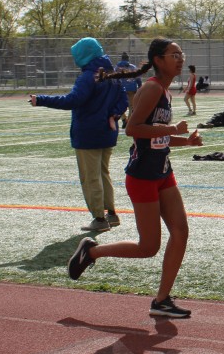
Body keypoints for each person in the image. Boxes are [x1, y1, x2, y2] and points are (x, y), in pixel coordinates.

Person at [66, 38, 203, 319]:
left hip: (162, 171)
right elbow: (134, 130)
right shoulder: (152, 88)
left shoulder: (164, 91)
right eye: (174, 54)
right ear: (158, 60)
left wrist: (185, 141)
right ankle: (91, 252)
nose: (180, 58)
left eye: (181, 54)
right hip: (143, 176)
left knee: (180, 232)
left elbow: (156, 137)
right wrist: (172, 128)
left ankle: (162, 301)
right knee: (148, 247)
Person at [30, 37, 129, 232]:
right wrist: (114, 115)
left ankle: (99, 218)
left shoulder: (88, 76)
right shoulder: (112, 75)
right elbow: (123, 100)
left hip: (88, 133)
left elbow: (73, 100)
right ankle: (111, 214)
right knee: (103, 173)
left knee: (91, 177)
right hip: (107, 132)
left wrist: (41, 100)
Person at [115, 52, 142, 126]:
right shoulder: (133, 67)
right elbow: (138, 78)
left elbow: (114, 78)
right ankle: (129, 121)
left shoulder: (117, 68)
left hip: (121, 89)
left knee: (119, 105)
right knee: (131, 106)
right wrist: (140, 87)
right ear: (128, 59)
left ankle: (124, 119)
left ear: (121, 59)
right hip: (132, 89)